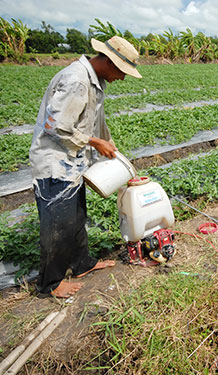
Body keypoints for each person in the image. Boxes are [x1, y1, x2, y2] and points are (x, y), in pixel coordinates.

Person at [29, 36, 142, 298]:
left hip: (73, 162)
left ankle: (81, 264)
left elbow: (95, 123)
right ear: (108, 61)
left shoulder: (96, 81)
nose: (122, 78)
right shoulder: (76, 81)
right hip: (54, 163)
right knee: (58, 225)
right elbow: (55, 126)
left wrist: (110, 146)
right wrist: (93, 142)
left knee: (76, 216)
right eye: (122, 72)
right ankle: (49, 284)